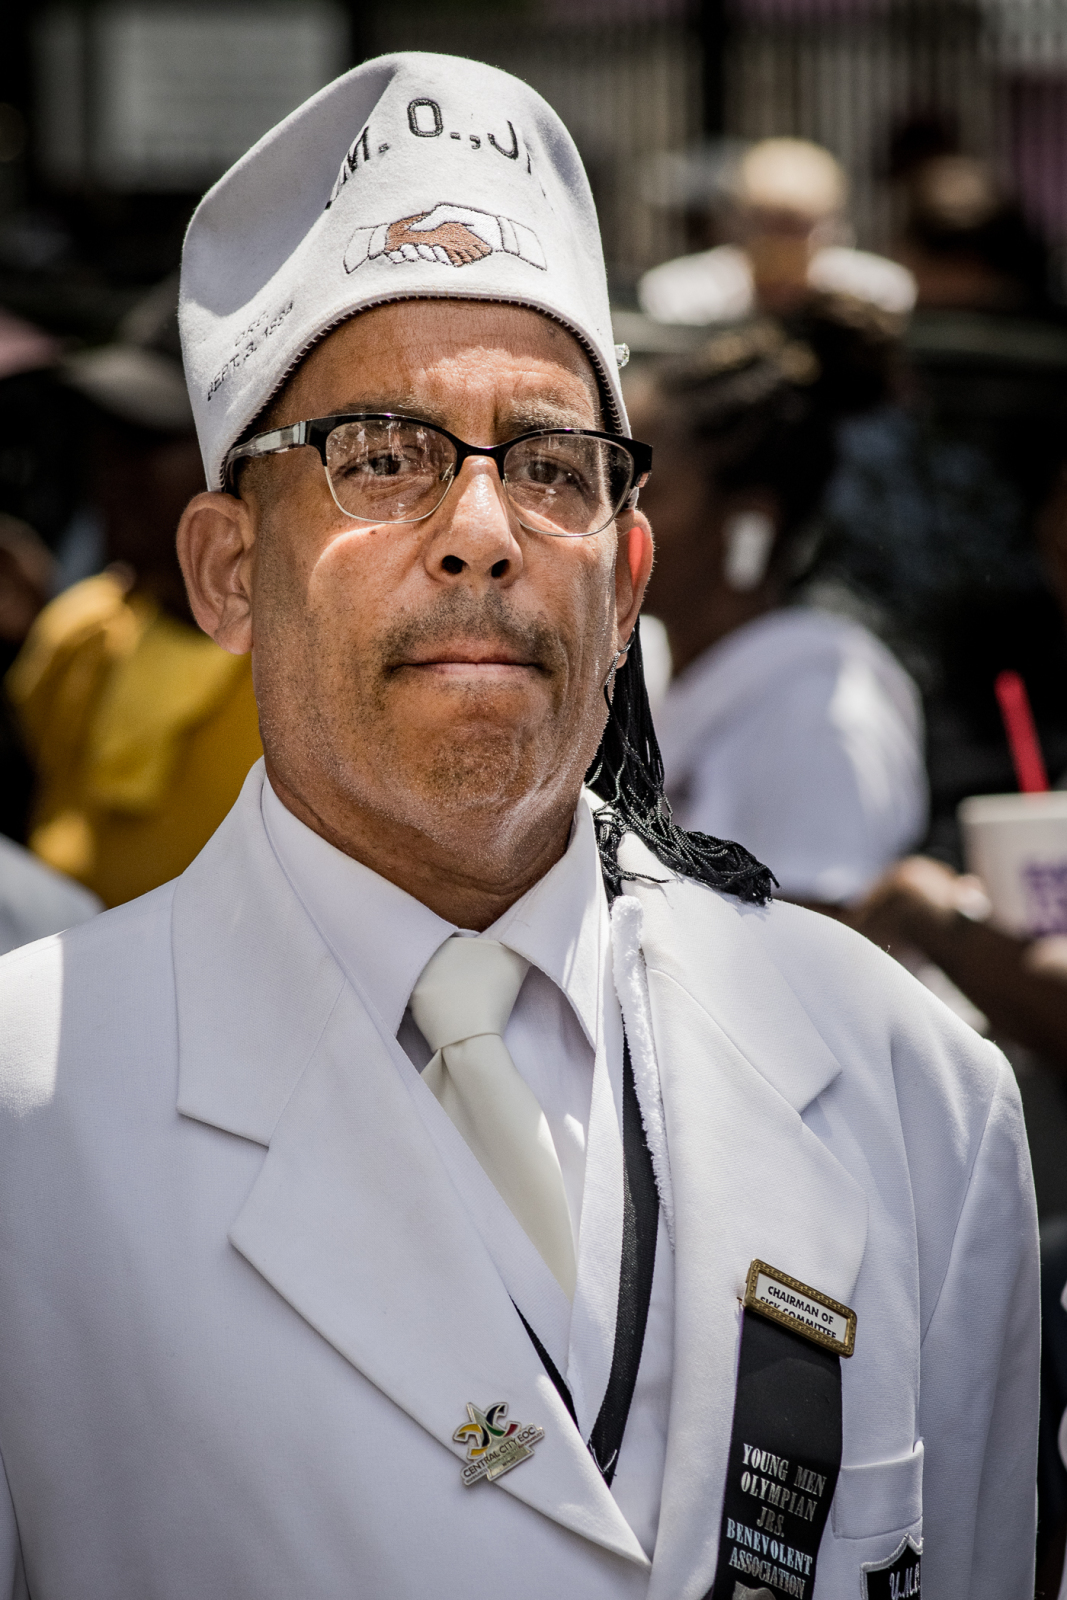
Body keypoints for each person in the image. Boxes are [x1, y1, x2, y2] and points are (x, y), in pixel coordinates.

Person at [0, 52, 1037, 1600]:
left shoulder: (908, 1087)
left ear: (623, 587)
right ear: (223, 572)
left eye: (550, 467)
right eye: (380, 455)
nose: (481, 534)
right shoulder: (30, 1121)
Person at [629, 319, 927, 907]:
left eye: (644, 492)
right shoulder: (650, 668)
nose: (609, 514)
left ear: (749, 523)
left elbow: (815, 949)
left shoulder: (821, 714)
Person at [5, 280, 262, 906]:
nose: (111, 470)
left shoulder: (304, 671)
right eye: (106, 440)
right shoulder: (78, 634)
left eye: (149, 443)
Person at [638, 138, 915, 329]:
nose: (784, 246)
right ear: (738, 226)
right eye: (769, 227)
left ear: (833, 230)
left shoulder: (875, 294)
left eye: (800, 230)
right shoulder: (682, 296)